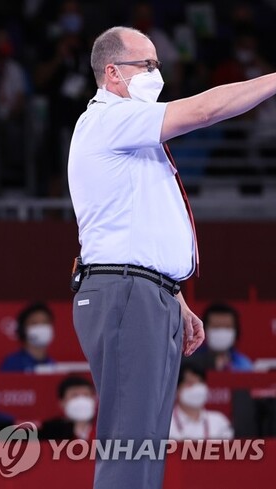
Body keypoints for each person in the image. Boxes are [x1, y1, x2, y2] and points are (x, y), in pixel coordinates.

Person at [69, 24, 276, 489]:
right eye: (147, 65)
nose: (157, 74)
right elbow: (206, 109)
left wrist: (173, 296)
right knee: (130, 444)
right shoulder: (110, 118)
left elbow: (133, 221)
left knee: (144, 445)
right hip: (126, 291)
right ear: (113, 72)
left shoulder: (130, 135)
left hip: (144, 290)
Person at [169, 363, 233, 440]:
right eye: (190, 383)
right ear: (177, 389)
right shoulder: (167, 424)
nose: (197, 388)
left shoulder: (219, 421)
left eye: (200, 382)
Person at [189, 302, 253, 372]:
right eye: (216, 327)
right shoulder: (189, 359)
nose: (221, 331)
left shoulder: (244, 365)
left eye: (227, 327)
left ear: (236, 331)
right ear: (203, 329)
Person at [0, 302, 56, 372]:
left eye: (45, 322)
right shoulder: (12, 363)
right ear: (23, 329)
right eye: (34, 323)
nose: (41, 327)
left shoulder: (52, 364)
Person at [38, 375, 96, 441]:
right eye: (75, 395)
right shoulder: (49, 433)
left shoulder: (103, 431)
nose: (81, 400)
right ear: (62, 402)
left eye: (86, 395)